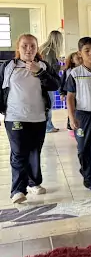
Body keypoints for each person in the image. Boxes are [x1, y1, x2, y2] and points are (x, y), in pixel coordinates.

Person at [1, 34, 61, 203]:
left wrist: (39, 72)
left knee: (34, 151)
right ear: (18, 48)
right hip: (15, 116)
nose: (29, 49)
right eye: (25, 46)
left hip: (38, 117)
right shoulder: (9, 66)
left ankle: (33, 182)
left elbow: (55, 85)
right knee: (19, 152)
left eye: (32, 46)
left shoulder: (43, 65)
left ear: (37, 48)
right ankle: (18, 190)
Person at [64, 37, 91, 198]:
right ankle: (86, 173)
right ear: (80, 53)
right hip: (82, 116)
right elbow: (70, 97)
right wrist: (72, 117)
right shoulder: (75, 73)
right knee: (83, 150)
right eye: (87, 51)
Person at [39, 29, 64, 133]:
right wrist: (64, 67)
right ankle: (48, 127)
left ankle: (47, 125)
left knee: (45, 103)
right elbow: (52, 68)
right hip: (47, 81)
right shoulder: (51, 51)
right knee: (49, 103)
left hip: (41, 79)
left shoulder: (43, 48)